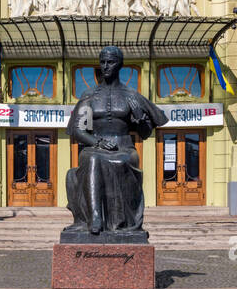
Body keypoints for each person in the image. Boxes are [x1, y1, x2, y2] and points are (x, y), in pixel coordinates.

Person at [64, 46, 168, 239]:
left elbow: (145, 133)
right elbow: (78, 130)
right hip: (95, 145)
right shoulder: (89, 95)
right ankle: (95, 218)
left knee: (120, 161)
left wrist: (140, 120)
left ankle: (119, 221)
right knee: (93, 158)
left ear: (120, 65)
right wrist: (97, 142)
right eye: (102, 62)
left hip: (125, 148)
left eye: (110, 62)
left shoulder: (131, 96)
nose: (105, 66)